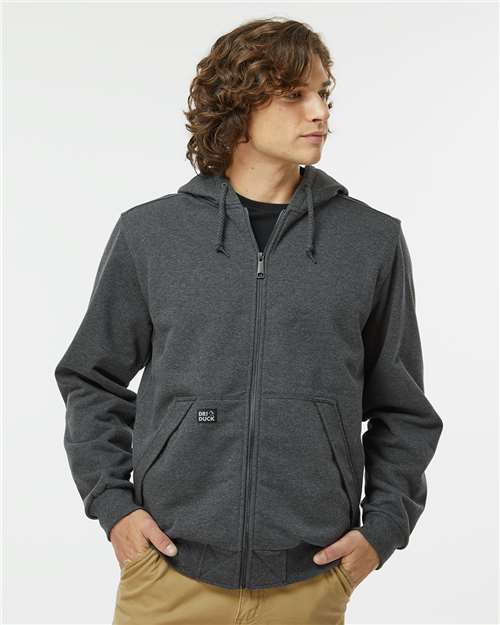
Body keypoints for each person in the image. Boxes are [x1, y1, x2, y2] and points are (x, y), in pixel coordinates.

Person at [54, 17, 443, 625]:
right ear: (237, 105)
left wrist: (384, 529)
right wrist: (114, 507)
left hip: (310, 580)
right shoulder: (151, 234)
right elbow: (91, 378)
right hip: (168, 574)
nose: (319, 112)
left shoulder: (370, 240)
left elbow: (404, 407)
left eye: (323, 94)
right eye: (294, 95)